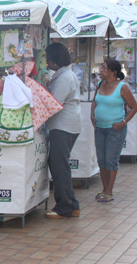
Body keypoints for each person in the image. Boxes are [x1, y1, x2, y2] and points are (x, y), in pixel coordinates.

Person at [91, 58, 137, 203]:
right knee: (101, 159)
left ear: (113, 72)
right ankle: (104, 189)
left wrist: (123, 123)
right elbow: (95, 101)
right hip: (100, 128)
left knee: (111, 160)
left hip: (115, 130)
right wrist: (92, 115)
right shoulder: (100, 84)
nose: (101, 71)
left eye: (104, 68)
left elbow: (134, 107)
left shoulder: (122, 87)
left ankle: (109, 191)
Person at [44, 42, 82, 219]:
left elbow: (54, 103)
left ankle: (65, 206)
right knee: (59, 165)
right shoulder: (65, 74)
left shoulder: (65, 77)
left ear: (54, 61)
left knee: (60, 166)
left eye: (48, 59)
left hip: (63, 126)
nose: (47, 63)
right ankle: (70, 204)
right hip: (66, 125)